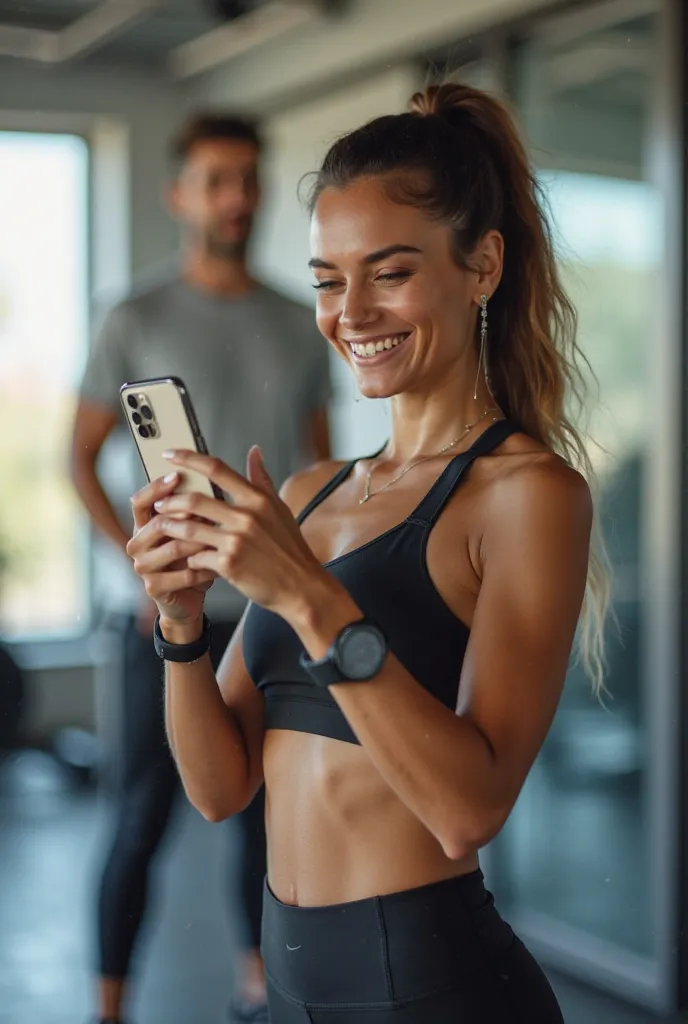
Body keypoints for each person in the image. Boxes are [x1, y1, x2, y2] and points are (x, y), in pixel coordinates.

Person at [126, 82, 609, 1022]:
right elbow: (223, 788)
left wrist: (309, 599)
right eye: (325, 278)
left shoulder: (527, 496)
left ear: (482, 266)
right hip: (294, 989)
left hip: (434, 989)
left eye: (388, 272)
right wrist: (180, 622)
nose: (349, 311)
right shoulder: (310, 494)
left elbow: (470, 808)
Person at [70, 111, 331, 1024]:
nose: (237, 198)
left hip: (261, 611)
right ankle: (109, 1005)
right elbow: (81, 456)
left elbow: (319, 472)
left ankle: (257, 988)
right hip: (160, 616)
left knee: (262, 812)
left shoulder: (302, 324)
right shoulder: (133, 316)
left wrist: (306, 586)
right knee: (141, 816)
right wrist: (138, 570)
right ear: (179, 194)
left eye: (249, 179)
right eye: (217, 179)